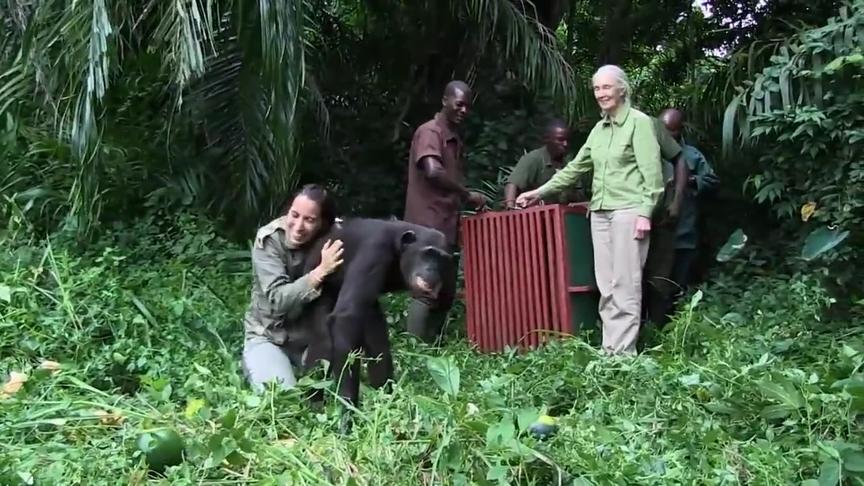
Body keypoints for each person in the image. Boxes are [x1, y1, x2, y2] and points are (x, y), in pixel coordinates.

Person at [516, 64, 664, 355]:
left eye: (606, 87)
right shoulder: (599, 130)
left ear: (622, 89)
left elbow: (654, 177)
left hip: (628, 212)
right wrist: (538, 192)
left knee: (626, 285)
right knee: (606, 287)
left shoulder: (639, 123)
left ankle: (624, 355)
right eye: (596, 88)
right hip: (600, 213)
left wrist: (646, 213)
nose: (601, 93)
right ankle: (611, 349)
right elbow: (574, 169)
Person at [403, 80, 487, 343]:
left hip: (445, 226)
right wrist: (466, 194)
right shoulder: (431, 132)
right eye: (459, 104)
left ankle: (431, 347)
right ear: (445, 101)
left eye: (467, 107)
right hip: (426, 226)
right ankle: (414, 352)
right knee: (426, 288)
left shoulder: (452, 138)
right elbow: (433, 171)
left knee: (446, 291)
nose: (463, 110)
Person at [241, 184, 344, 392]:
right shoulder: (270, 240)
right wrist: (320, 272)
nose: (298, 226)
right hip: (270, 336)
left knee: (340, 388)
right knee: (281, 398)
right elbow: (278, 300)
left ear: (323, 223)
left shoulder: (335, 236)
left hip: (314, 338)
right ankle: (258, 362)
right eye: (294, 215)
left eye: (309, 220)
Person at [659, 109, 720, 295]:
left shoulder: (692, 155)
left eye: (672, 130)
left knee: (680, 284)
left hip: (684, 233)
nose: (668, 135)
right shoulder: (649, 152)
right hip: (657, 234)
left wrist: (691, 181)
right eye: (664, 130)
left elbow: (712, 181)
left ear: (681, 130)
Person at [640, 112, 691, 327]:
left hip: (663, 222)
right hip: (634, 220)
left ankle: (657, 329)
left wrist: (676, 204)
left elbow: (682, 163)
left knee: (660, 280)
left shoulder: (678, 154)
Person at [503, 119, 588, 209]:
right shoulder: (534, 158)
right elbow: (512, 184)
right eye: (560, 140)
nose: (565, 144)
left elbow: (579, 196)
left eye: (567, 140)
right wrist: (510, 209)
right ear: (547, 139)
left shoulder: (569, 165)